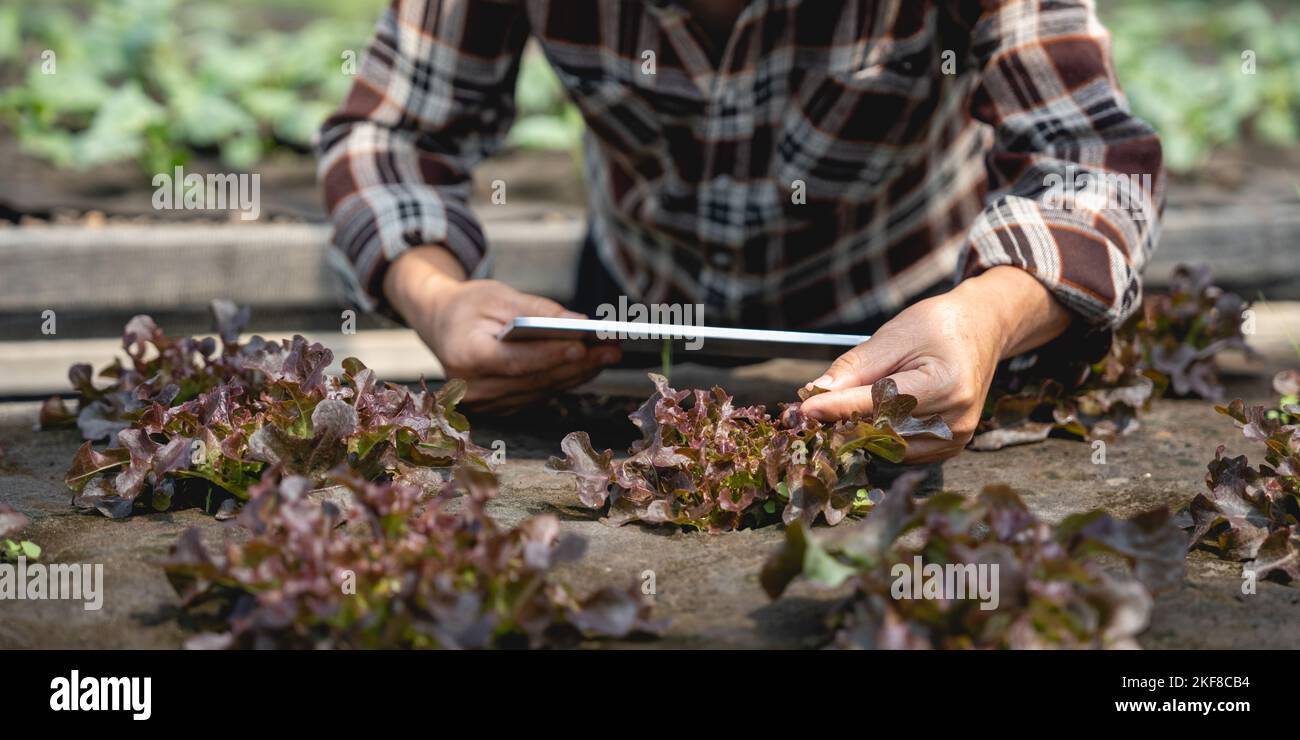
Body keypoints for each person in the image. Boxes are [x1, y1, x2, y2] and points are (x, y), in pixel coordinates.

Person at [318, 0, 1164, 461]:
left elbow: (1093, 160)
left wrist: (988, 315)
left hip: (910, 320)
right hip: (621, 326)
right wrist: (436, 297)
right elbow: (390, 135)